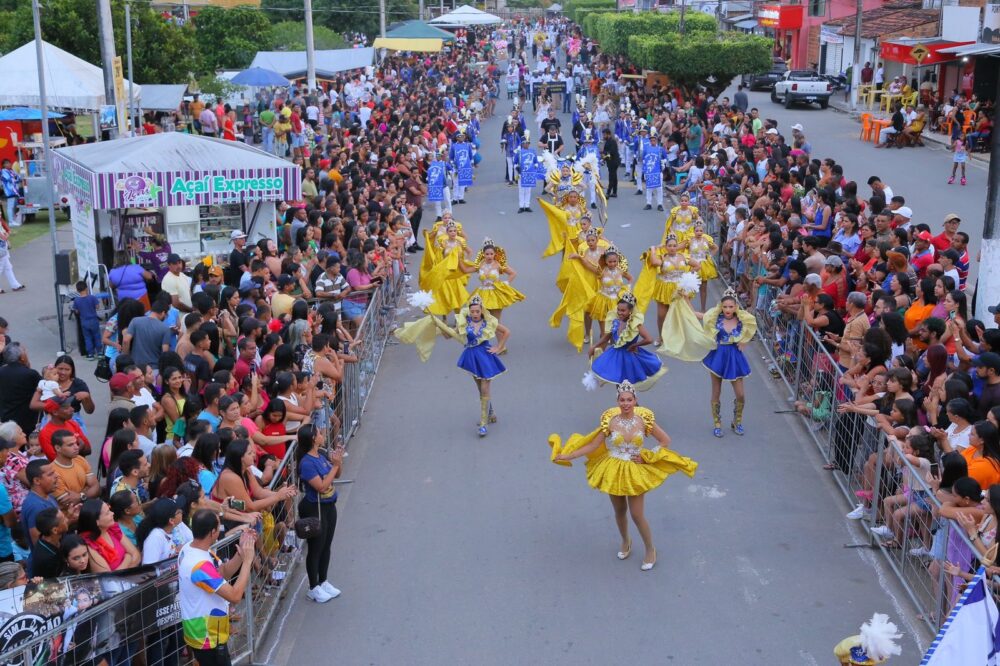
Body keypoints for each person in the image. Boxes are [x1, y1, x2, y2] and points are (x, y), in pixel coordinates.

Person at [550, 380, 698, 571]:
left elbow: (665, 440)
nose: (626, 403)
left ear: (635, 400)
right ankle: (625, 541)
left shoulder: (644, 419)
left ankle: (650, 549)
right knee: (619, 510)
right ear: (618, 401)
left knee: (637, 514)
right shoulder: (610, 420)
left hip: (635, 469)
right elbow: (592, 446)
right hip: (614, 468)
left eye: (629, 399)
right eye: (622, 400)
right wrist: (567, 455)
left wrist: (647, 456)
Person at [178, 510, 256, 666]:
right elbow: (235, 596)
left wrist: (241, 553)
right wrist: (248, 561)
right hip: (206, 636)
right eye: (218, 526)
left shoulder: (192, 548)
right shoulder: (199, 566)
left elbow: (223, 572)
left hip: (210, 632)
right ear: (212, 532)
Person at [698, 289, 758, 438]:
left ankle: (737, 421)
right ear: (721, 306)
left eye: (731, 307)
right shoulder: (715, 318)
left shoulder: (742, 320)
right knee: (716, 392)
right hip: (718, 357)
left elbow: (751, 327)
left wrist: (745, 341)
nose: (728, 310)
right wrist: (684, 300)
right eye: (725, 307)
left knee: (741, 394)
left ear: (736, 306)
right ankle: (717, 423)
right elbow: (698, 315)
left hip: (735, 358)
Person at [296, 425, 344, 603]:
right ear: (313, 438)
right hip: (314, 507)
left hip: (329, 505)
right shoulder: (307, 463)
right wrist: (335, 467)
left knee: (326, 545)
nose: (322, 435)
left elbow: (337, 474)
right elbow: (321, 486)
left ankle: (323, 581)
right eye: (319, 433)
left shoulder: (322, 454)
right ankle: (313, 586)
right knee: (316, 547)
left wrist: (338, 462)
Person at [588, 291, 665, 390]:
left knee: (627, 389)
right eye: (618, 310)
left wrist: (635, 345)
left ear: (630, 311)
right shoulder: (615, 320)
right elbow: (607, 336)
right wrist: (594, 346)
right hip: (615, 355)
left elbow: (649, 339)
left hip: (628, 359)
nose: (620, 313)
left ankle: (633, 404)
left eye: (623, 310)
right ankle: (623, 404)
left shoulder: (635, 323)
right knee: (619, 386)